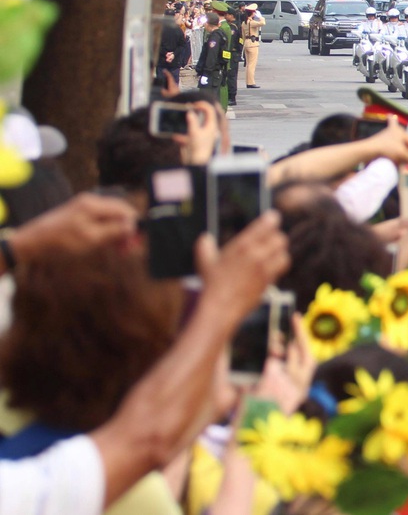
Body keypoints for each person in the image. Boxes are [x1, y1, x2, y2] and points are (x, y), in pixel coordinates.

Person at [0, 204, 290, 515]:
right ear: (158, 356)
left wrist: (16, 248)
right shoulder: (135, 501)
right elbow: (146, 443)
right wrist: (248, 441)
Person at [196, 13, 229, 95]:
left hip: (212, 73)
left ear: (207, 24)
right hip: (216, 71)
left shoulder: (215, 37)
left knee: (207, 99)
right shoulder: (221, 34)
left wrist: (206, 73)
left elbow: (212, 56)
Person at [155, 10, 188, 87]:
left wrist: (165, 54)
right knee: (173, 86)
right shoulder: (178, 30)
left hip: (162, 61)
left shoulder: (159, 30)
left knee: (161, 87)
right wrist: (173, 54)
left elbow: (156, 45)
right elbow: (182, 45)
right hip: (174, 62)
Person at [222, 5, 243, 106]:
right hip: (230, 53)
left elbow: (239, 41)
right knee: (227, 75)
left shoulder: (234, 27)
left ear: (231, 15)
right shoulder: (230, 25)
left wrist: (238, 52)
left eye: (227, 15)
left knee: (231, 76)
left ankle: (232, 96)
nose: (225, 17)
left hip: (233, 53)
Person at [240, 3, 265, 89]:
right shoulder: (252, 22)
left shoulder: (244, 23)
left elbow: (243, 35)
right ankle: (251, 82)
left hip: (247, 43)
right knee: (252, 65)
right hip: (253, 44)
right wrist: (260, 17)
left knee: (248, 65)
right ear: (252, 13)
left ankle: (248, 82)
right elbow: (263, 23)